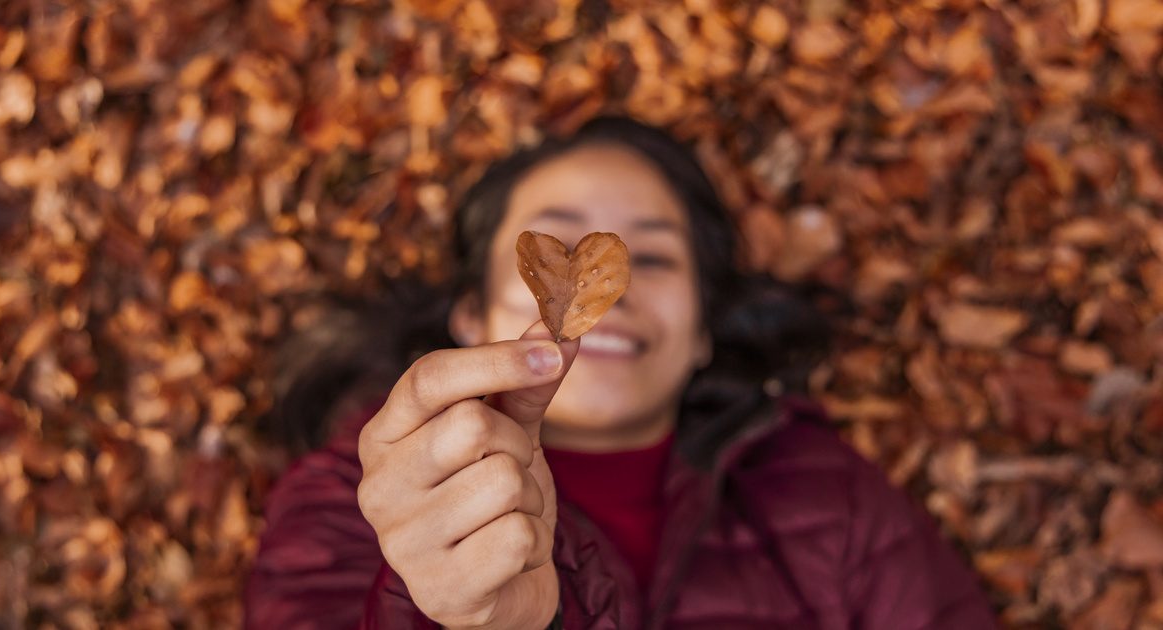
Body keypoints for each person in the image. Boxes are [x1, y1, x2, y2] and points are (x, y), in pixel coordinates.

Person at [244, 117, 997, 629]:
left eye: (657, 258)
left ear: (703, 333)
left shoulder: (829, 494)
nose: (612, 295)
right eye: (554, 244)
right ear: (470, 315)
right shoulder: (358, 500)